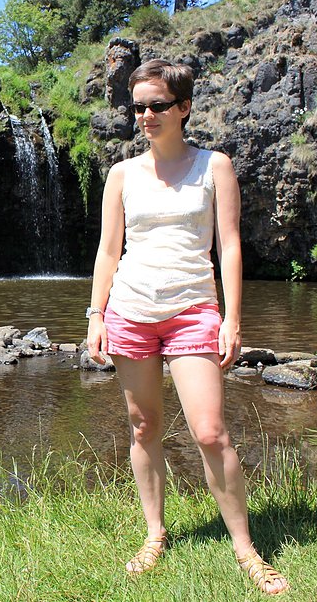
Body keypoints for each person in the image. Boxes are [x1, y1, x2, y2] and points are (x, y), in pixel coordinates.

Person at [85, 59, 290, 595]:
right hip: (130, 309)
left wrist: (232, 319)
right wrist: (95, 315)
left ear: (184, 108)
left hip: (193, 310)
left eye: (157, 105)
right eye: (139, 107)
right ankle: (154, 534)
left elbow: (229, 246)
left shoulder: (214, 166)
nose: (147, 115)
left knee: (209, 431)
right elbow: (109, 250)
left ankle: (246, 548)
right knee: (144, 427)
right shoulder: (121, 174)